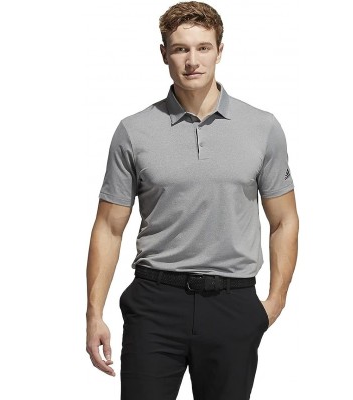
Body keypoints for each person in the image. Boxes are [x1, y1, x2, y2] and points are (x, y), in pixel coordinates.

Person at [85, 1, 299, 399]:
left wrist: (275, 302)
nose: (192, 61)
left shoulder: (262, 127)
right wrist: (94, 313)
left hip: (233, 303)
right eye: (180, 49)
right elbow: (109, 227)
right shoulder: (133, 131)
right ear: (164, 53)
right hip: (154, 304)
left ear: (220, 51)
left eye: (203, 48)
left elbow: (284, 219)